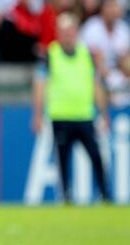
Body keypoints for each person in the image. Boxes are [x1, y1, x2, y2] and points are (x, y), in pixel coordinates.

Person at [32, 13, 111, 203]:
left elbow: (96, 85)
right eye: (64, 31)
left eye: (71, 30)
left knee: (96, 157)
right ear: (58, 33)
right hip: (61, 116)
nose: (68, 35)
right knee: (63, 160)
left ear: (76, 32)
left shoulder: (87, 55)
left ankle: (104, 194)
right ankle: (66, 195)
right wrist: (37, 114)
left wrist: (103, 112)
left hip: (85, 115)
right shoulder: (50, 55)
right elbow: (40, 85)